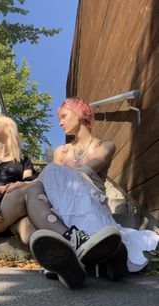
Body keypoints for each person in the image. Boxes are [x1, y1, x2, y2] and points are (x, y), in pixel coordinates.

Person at [0, 114, 123, 290]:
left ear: (8, 126)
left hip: (14, 214)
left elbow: (28, 183)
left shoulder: (23, 161)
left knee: (29, 224)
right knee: (33, 190)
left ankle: (61, 265)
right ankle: (73, 240)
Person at [34, 97, 159, 279]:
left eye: (64, 116)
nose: (60, 123)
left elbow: (87, 170)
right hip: (65, 204)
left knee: (52, 172)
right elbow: (53, 188)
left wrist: (51, 174)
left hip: (94, 201)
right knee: (47, 182)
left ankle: (106, 257)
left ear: (79, 114)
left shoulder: (105, 146)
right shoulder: (61, 151)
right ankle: (85, 259)